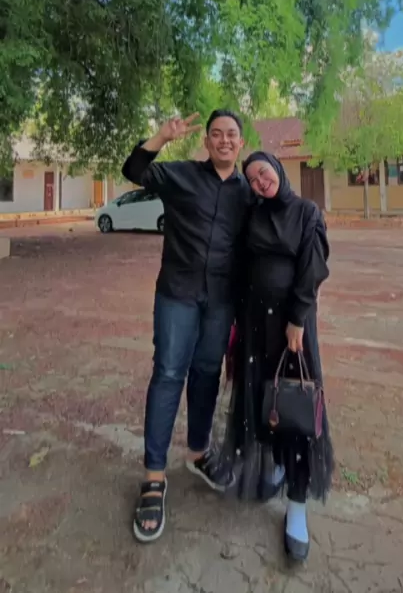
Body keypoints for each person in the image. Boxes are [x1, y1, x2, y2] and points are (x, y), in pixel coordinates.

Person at [121, 110, 251, 543]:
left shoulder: (247, 192)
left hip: (220, 301)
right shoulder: (183, 176)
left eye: (231, 134)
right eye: (216, 134)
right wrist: (161, 137)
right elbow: (134, 170)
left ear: (241, 142)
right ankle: (154, 477)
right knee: (168, 374)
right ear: (207, 142)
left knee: (207, 374)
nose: (224, 140)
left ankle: (198, 453)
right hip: (177, 294)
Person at [215, 151, 334, 562]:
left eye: (263, 173)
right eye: (252, 179)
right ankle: (278, 465)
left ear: (278, 171)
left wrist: (297, 318)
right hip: (254, 326)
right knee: (264, 403)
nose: (259, 182)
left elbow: (312, 269)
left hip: (291, 330)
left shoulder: (306, 213)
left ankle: (297, 505)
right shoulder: (254, 215)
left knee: (295, 406)